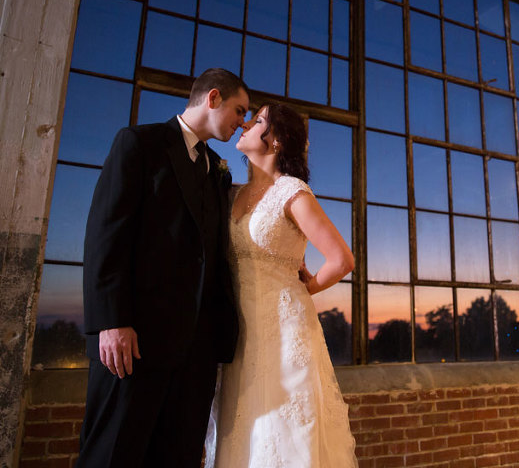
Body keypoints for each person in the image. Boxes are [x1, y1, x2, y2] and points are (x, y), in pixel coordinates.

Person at [77, 68, 250, 467]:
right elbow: (106, 235)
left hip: (196, 356)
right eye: (239, 110)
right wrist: (112, 321)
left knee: (179, 458)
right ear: (212, 98)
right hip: (133, 345)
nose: (242, 121)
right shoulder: (140, 143)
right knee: (112, 455)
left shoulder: (218, 171)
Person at [207, 103, 358, 467]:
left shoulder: (291, 191)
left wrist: (307, 287)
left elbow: (341, 260)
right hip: (240, 335)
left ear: (275, 141)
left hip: (285, 332)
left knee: (285, 435)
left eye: (257, 120)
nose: (244, 123)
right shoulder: (232, 193)